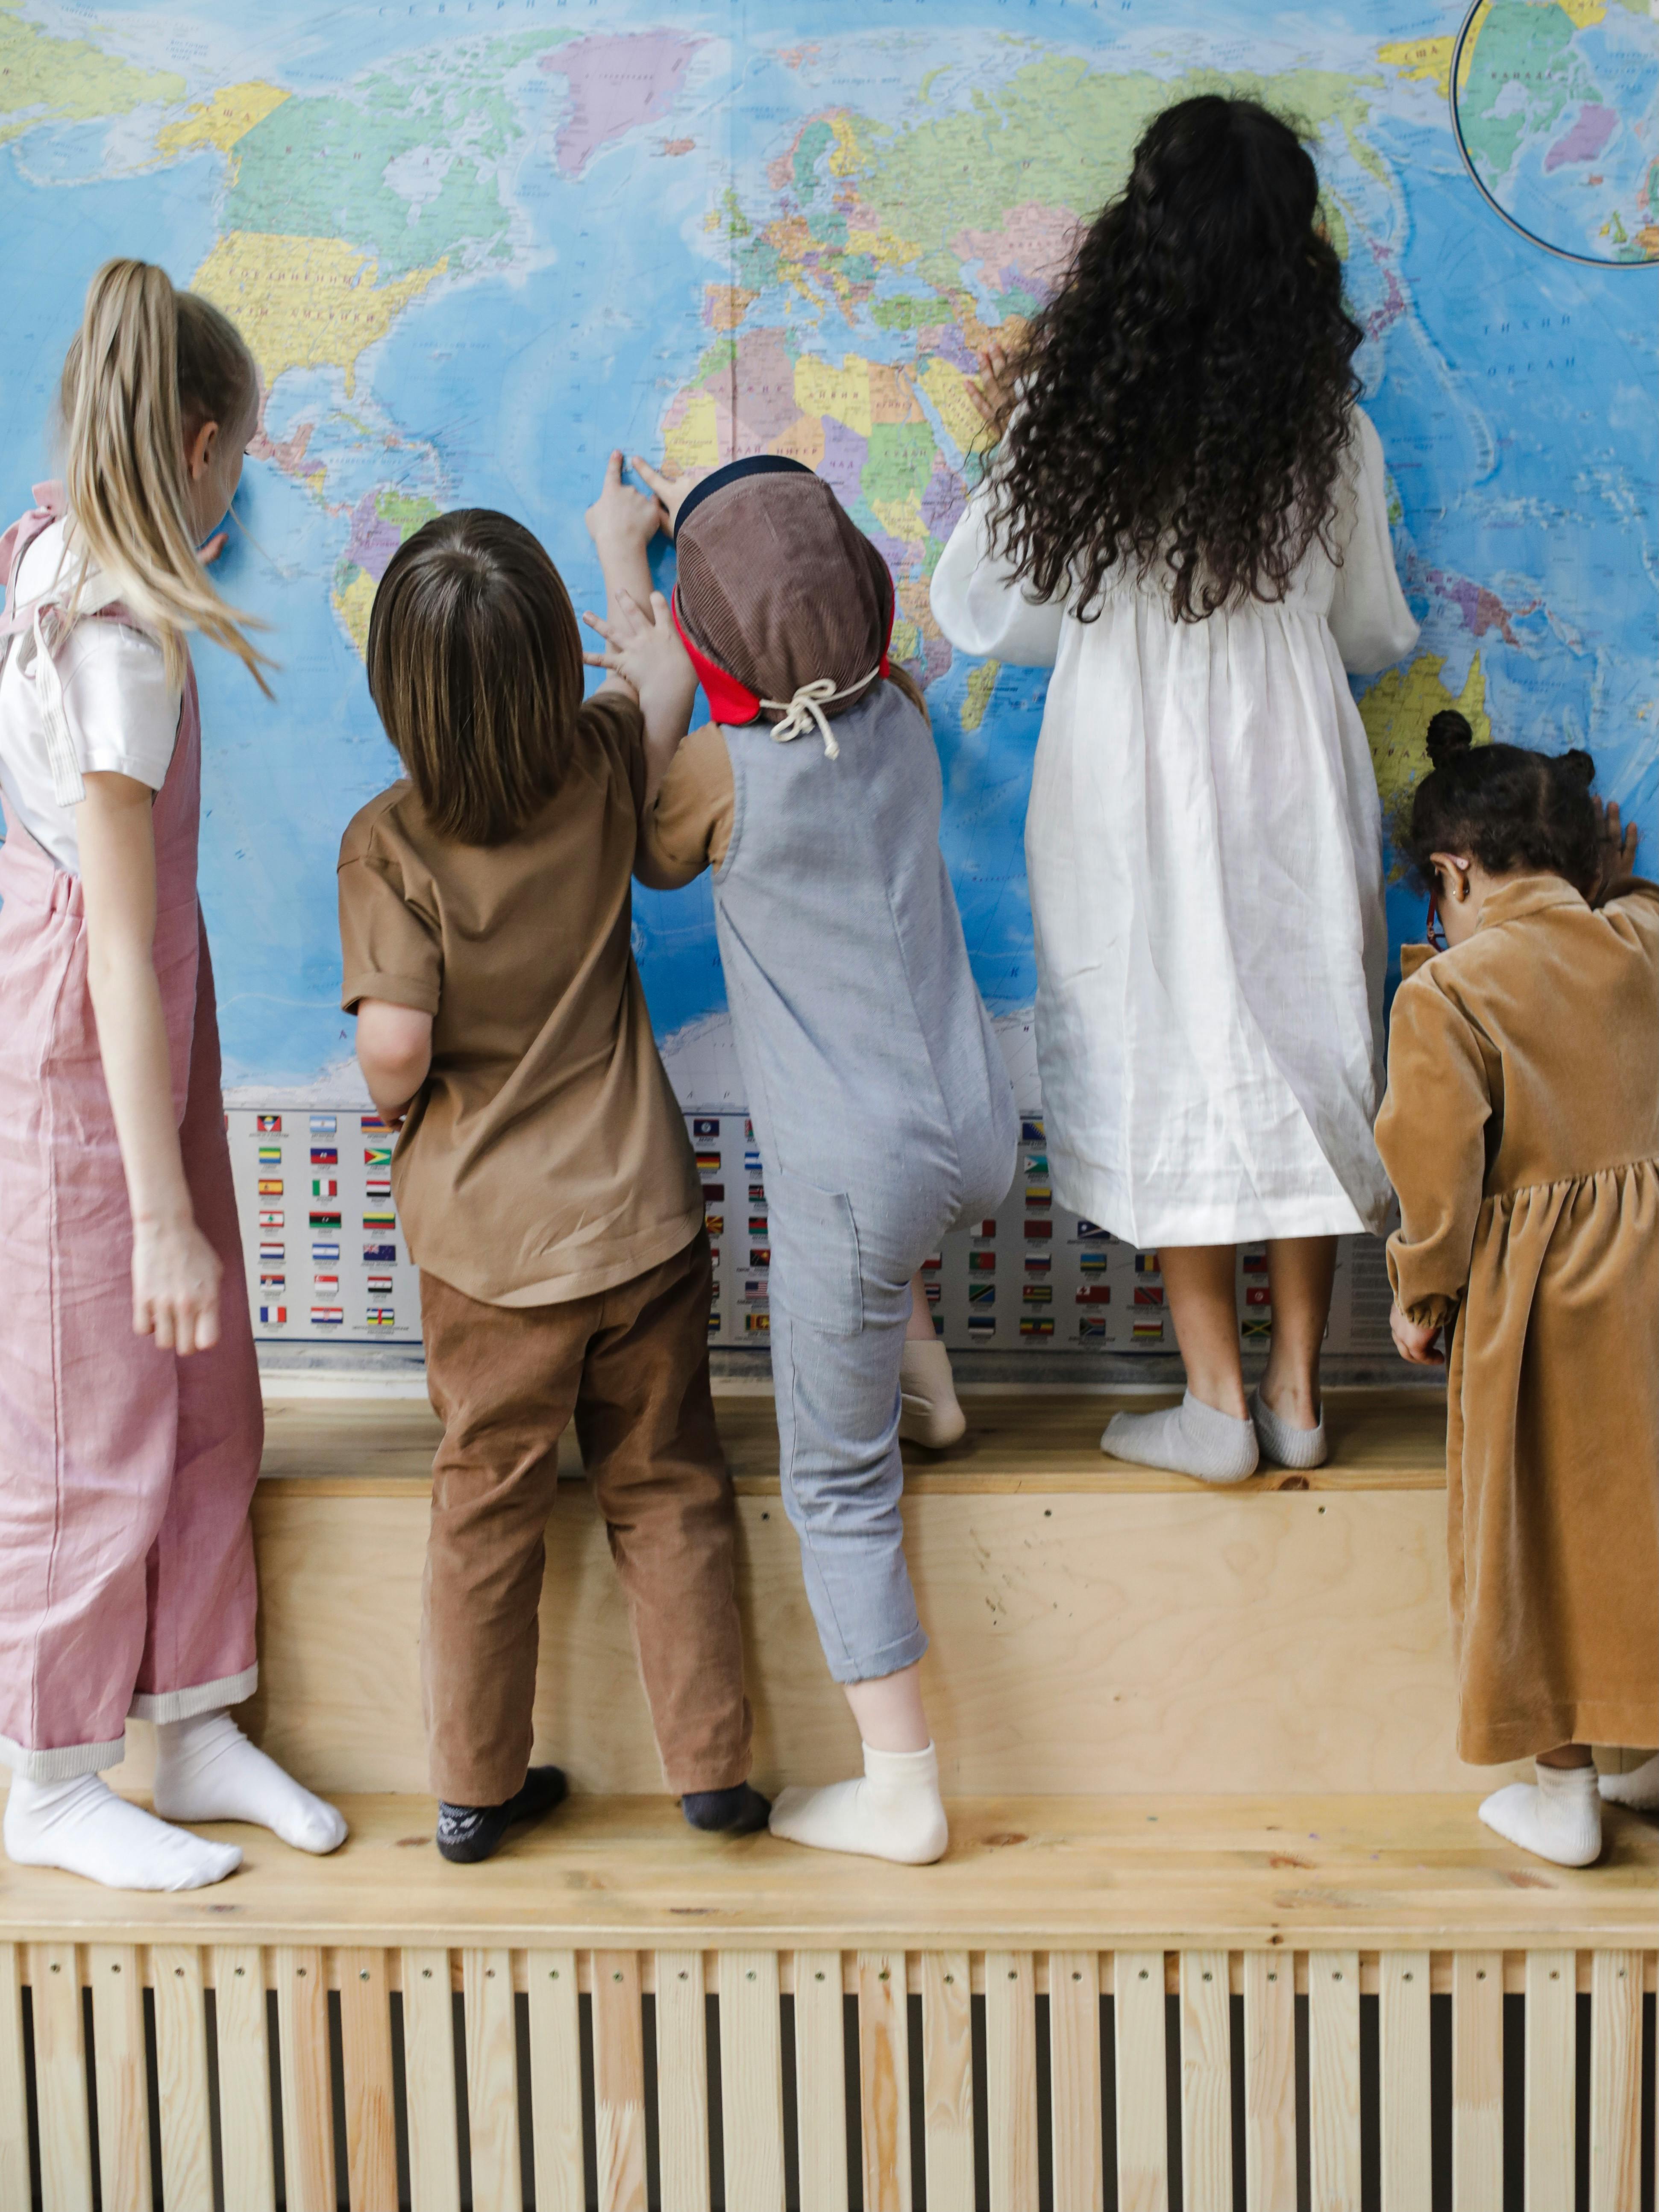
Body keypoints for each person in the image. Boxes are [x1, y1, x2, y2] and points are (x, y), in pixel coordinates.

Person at [930, 95, 1420, 1481]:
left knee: (1163, 1037)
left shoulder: (1073, 424)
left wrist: (1010, 425)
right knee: (1303, 1030)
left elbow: (986, 613)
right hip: (1286, 759)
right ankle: (1298, 1393)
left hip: (1124, 766)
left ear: (1135, 241)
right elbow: (1370, 629)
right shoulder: (1329, 430)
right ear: (1290, 250)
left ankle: (1209, 1398)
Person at [582, 450, 1017, 1865]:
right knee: (877, 1255)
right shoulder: (891, 715)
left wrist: (622, 588)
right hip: (976, 1129)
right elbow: (776, 692)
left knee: (834, 1481)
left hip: (855, 1172)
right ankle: (935, 1401)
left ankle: (901, 1785)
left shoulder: (720, 779)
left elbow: (635, 827)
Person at [338, 478, 765, 1862]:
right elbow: (657, 690)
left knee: (487, 1504)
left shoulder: (387, 843)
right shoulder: (595, 761)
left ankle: (472, 1787)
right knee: (670, 1483)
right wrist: (618, 557)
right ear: (542, 672)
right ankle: (715, 1773)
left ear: (398, 693)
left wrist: (400, 1068)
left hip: (489, 1256)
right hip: (639, 1219)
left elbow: (395, 1053)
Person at [0, 259, 346, 1890]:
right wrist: (154, 1209)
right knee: (88, 1401)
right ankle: (51, 1766)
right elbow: (114, 952)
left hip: (153, 1009)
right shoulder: (118, 644)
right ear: (201, 447)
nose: (242, 492)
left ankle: (191, 1714)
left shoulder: (52, 533)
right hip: (90, 1037)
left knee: (207, 1387)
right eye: (246, 463)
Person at [1376, 710, 1657, 1866]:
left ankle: (1562, 1793)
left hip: (1544, 1308)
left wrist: (1418, 1294)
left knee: (1534, 1530)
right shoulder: (1640, 934)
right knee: (1639, 1517)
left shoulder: (1446, 995)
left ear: (1450, 872)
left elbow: (1435, 1182)